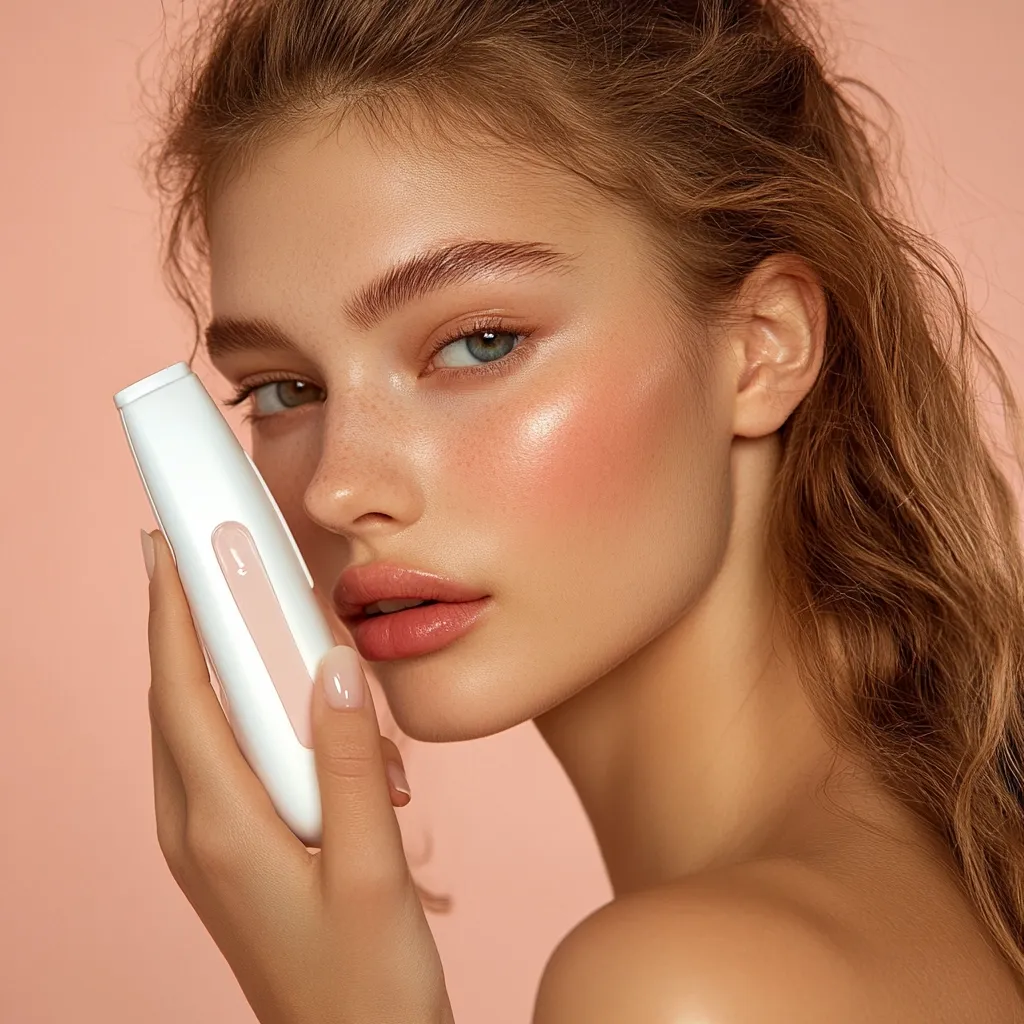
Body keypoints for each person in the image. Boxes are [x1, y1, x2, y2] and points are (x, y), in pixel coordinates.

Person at [137, 0, 1024, 1019]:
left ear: (762, 345)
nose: (338, 488)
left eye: (477, 343)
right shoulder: (921, 880)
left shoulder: (690, 988)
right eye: (286, 390)